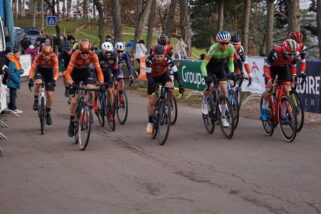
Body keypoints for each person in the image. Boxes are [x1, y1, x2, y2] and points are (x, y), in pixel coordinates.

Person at [64, 40, 104, 137]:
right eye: (83, 53)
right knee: (74, 100)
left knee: (91, 90)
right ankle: (71, 122)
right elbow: (67, 73)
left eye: (87, 52)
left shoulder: (93, 55)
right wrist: (71, 83)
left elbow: (99, 71)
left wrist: (101, 83)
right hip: (75, 73)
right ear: (79, 50)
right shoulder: (75, 54)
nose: (85, 55)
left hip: (86, 72)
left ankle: (89, 110)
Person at [145, 45, 184, 134]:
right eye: (157, 56)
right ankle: (150, 122)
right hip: (152, 77)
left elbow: (175, 72)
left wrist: (180, 83)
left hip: (163, 76)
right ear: (153, 55)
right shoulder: (149, 60)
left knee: (170, 89)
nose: (159, 58)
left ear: (164, 55)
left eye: (161, 56)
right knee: (151, 102)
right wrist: (152, 84)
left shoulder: (168, 59)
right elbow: (148, 75)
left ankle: (168, 104)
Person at [260, 39, 302, 120]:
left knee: (286, 90)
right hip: (271, 69)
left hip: (283, 68)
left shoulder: (295, 54)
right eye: (289, 54)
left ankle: (284, 114)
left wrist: (293, 76)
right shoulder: (275, 53)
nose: (292, 57)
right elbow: (266, 67)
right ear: (284, 50)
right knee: (270, 89)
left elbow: (293, 66)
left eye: (293, 54)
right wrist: (269, 79)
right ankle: (264, 109)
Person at [200, 31, 235, 128]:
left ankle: (223, 117)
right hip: (209, 69)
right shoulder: (213, 48)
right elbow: (203, 64)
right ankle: (204, 101)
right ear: (218, 42)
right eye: (222, 44)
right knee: (210, 86)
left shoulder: (231, 48)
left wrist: (231, 73)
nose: (225, 46)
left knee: (224, 90)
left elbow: (231, 63)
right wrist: (206, 76)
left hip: (220, 69)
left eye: (227, 43)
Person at [28, 45, 60, 125]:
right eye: (45, 54)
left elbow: (56, 71)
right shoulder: (38, 56)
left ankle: (48, 113)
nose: (47, 56)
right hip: (40, 71)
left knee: (49, 94)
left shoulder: (54, 57)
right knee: (38, 82)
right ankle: (36, 100)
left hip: (49, 73)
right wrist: (31, 79)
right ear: (42, 53)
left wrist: (54, 80)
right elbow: (32, 69)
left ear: (51, 53)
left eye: (48, 54)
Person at [96, 42, 118, 120]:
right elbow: (94, 69)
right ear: (102, 51)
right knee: (97, 89)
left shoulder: (114, 56)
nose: (108, 54)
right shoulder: (98, 56)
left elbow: (115, 69)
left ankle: (110, 111)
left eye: (110, 52)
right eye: (106, 52)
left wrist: (115, 78)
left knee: (110, 91)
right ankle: (95, 103)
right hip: (98, 73)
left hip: (108, 73)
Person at [8, 49, 23, 113]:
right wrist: (17, 80)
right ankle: (13, 108)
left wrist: (21, 71)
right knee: (13, 95)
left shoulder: (15, 60)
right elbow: (11, 72)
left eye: (20, 53)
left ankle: (11, 106)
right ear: (14, 54)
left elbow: (15, 70)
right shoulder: (13, 61)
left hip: (14, 81)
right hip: (13, 81)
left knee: (13, 94)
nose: (19, 54)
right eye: (18, 53)